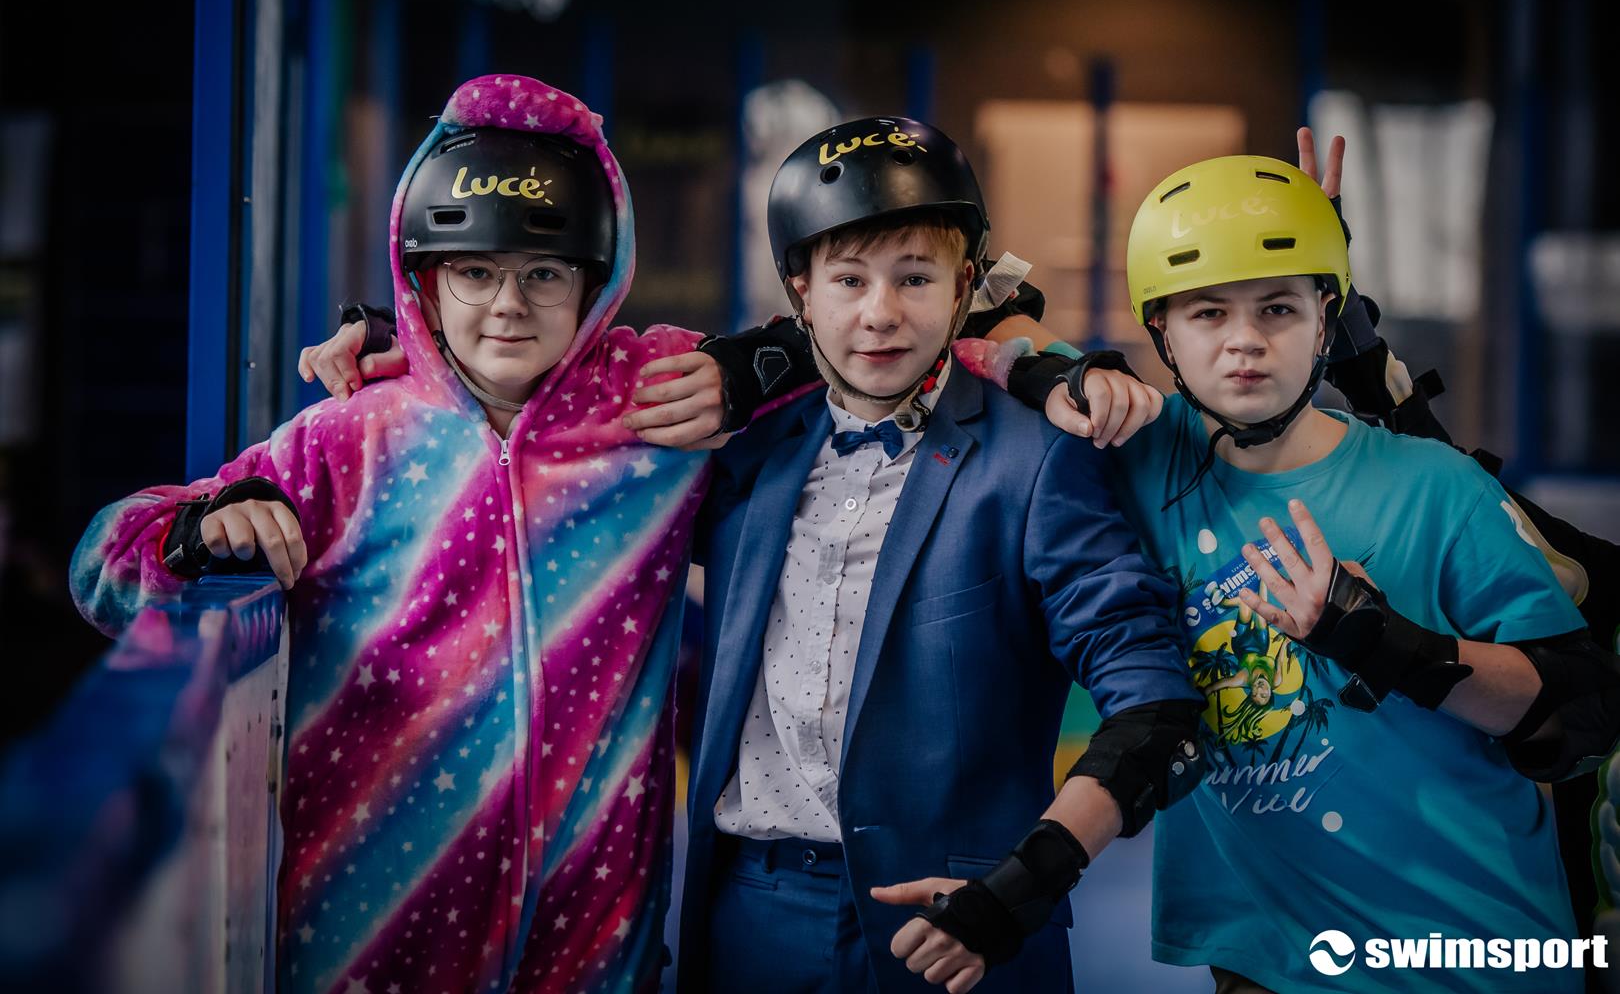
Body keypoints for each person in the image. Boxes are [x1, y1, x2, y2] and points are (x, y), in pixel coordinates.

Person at [71, 73, 763, 994]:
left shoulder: (656, 411)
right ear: (423, 283)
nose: (509, 304)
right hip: (369, 935)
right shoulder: (352, 436)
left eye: (544, 274)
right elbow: (103, 564)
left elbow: (869, 359)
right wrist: (197, 533)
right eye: (475, 272)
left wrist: (758, 367)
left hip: (590, 942)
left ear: (594, 285)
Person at [913, 141, 1620, 992]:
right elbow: (975, 311)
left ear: (1326, 322)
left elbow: (1578, 711)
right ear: (1161, 331)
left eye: (1279, 309)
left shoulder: (1435, 487)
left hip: (1465, 948)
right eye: (1208, 313)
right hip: (1265, 959)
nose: (1244, 342)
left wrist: (1388, 644)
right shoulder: (1144, 454)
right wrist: (1062, 376)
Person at [673, 117, 1204, 994]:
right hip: (749, 912)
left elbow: (1155, 709)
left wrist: (1022, 887)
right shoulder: (746, 453)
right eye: (849, 280)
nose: (881, 312)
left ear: (965, 286)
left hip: (961, 924)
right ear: (802, 292)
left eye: (914, 277)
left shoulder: (1037, 457)